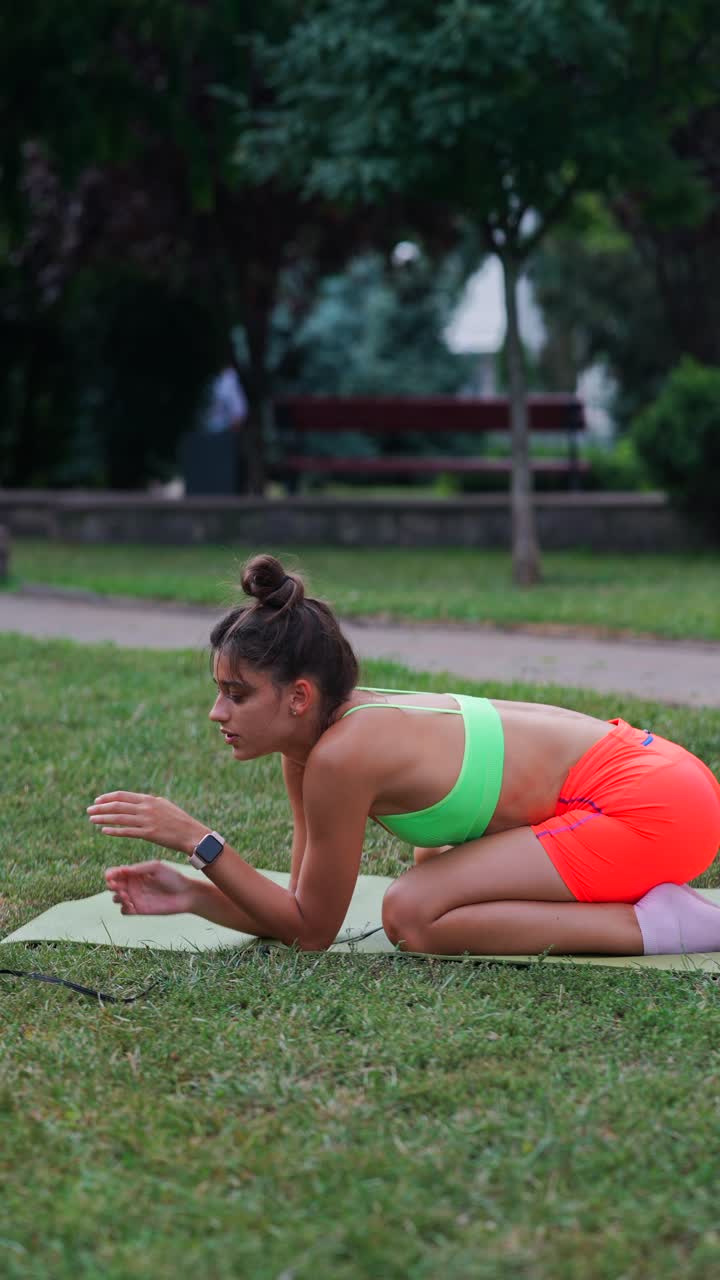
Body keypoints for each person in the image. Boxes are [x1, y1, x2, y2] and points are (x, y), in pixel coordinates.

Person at [89, 555, 720, 958]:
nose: (217, 714)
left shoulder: (342, 757)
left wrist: (198, 840)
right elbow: (304, 911)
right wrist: (197, 896)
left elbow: (311, 932)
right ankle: (649, 909)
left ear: (299, 697)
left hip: (652, 807)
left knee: (411, 915)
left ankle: (672, 926)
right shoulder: (313, 746)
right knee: (430, 884)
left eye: (236, 695)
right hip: (660, 783)